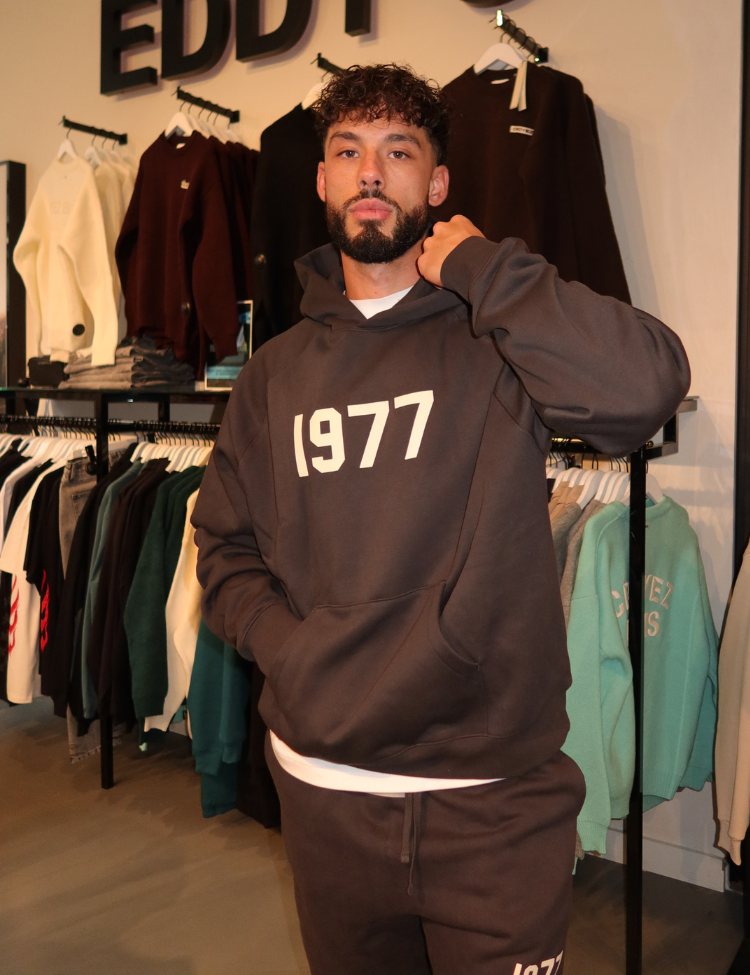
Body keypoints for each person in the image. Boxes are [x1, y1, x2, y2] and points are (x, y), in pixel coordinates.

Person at [192, 64, 690, 975]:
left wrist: (483, 267)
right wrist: (291, 649)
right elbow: (225, 549)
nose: (370, 172)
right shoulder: (274, 374)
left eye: (398, 151)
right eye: (349, 150)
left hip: (492, 802)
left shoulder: (497, 335)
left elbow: (647, 386)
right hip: (328, 794)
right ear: (321, 178)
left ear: (438, 184)